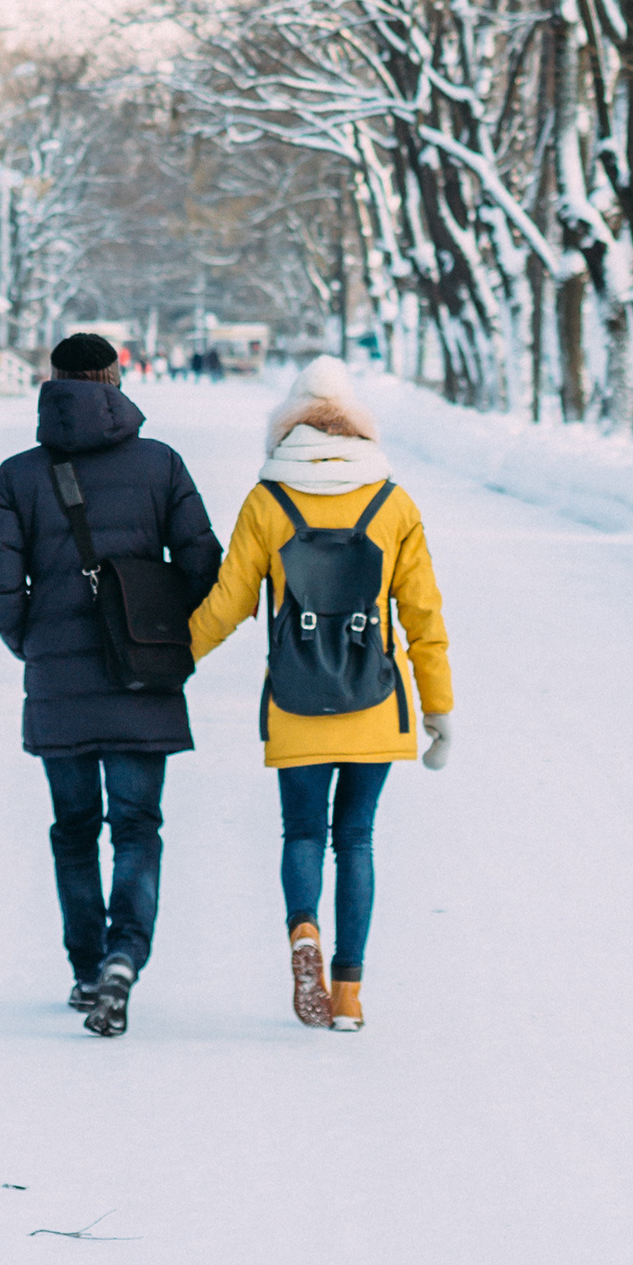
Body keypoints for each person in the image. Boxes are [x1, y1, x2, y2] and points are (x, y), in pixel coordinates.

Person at [188, 354, 453, 1035]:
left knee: (303, 830)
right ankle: (350, 994)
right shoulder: (392, 502)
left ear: (289, 427)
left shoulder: (267, 499)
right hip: (375, 702)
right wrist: (438, 709)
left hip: (295, 699)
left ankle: (301, 927)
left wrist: (171, 659)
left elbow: (228, 603)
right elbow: (423, 616)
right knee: (356, 839)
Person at [0, 331, 221, 1038]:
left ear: (53, 382)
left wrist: (32, 641)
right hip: (144, 673)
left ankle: (86, 969)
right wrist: (169, 629)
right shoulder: (161, 464)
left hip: (59, 681)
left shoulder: (17, 476)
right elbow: (204, 560)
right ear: (117, 378)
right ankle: (124, 956)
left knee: (74, 829)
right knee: (138, 827)